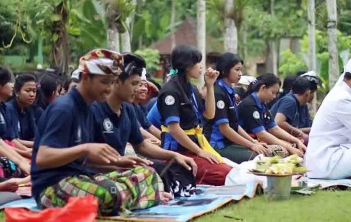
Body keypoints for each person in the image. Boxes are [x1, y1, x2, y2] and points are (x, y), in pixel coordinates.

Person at [31, 49, 168, 215]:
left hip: (82, 178)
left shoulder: (87, 108)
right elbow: (43, 158)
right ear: (86, 78)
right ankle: (136, 197)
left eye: (112, 82)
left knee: (148, 174)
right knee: (109, 193)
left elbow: (84, 162)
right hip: (53, 187)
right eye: (105, 82)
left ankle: (128, 198)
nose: (109, 88)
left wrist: (118, 163)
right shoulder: (65, 108)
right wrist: (86, 149)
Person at [91, 53, 197, 197]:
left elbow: (141, 145)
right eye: (134, 84)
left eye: (140, 84)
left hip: (123, 170)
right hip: (99, 174)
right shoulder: (94, 109)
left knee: (175, 167)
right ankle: (152, 194)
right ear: (116, 82)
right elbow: (86, 160)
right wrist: (121, 164)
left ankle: (154, 193)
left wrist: (174, 155)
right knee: (124, 187)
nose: (138, 89)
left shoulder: (127, 108)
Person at [157, 45, 232, 186]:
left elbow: (209, 114)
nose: (201, 67)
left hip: (194, 147)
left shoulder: (190, 88)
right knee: (225, 174)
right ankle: (183, 177)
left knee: (230, 169)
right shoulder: (171, 91)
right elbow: (174, 129)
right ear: (187, 65)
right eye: (198, 62)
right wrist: (200, 152)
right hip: (178, 152)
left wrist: (210, 86)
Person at [203, 53, 270, 163]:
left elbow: (234, 125)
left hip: (228, 143)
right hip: (217, 145)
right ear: (225, 70)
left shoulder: (229, 91)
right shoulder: (218, 92)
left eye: (241, 70)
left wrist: (254, 142)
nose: (240, 74)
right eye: (237, 70)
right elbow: (224, 129)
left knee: (266, 151)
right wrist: (251, 145)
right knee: (258, 158)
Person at [237, 73, 305, 157]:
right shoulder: (249, 104)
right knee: (282, 151)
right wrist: (288, 147)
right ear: (263, 88)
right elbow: (261, 134)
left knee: (290, 146)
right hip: (244, 142)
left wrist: (296, 141)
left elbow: (274, 128)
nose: (274, 97)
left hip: (256, 141)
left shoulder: (262, 104)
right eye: (273, 92)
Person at [270, 75, 318, 143]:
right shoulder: (290, 101)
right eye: (312, 93)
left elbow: (297, 128)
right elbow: (279, 122)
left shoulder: (299, 104)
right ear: (307, 93)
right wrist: (300, 133)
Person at [0, 67, 32, 160]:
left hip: (10, 152)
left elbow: (9, 140)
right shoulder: (10, 108)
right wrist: (23, 156)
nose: (12, 85)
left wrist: (25, 153)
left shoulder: (4, 108)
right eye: (9, 81)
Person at [7, 73, 43, 148]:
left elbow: (34, 135)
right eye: (28, 90)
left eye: (34, 91)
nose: (32, 94)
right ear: (17, 92)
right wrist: (41, 145)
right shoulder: (9, 109)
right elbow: (14, 140)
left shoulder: (28, 109)